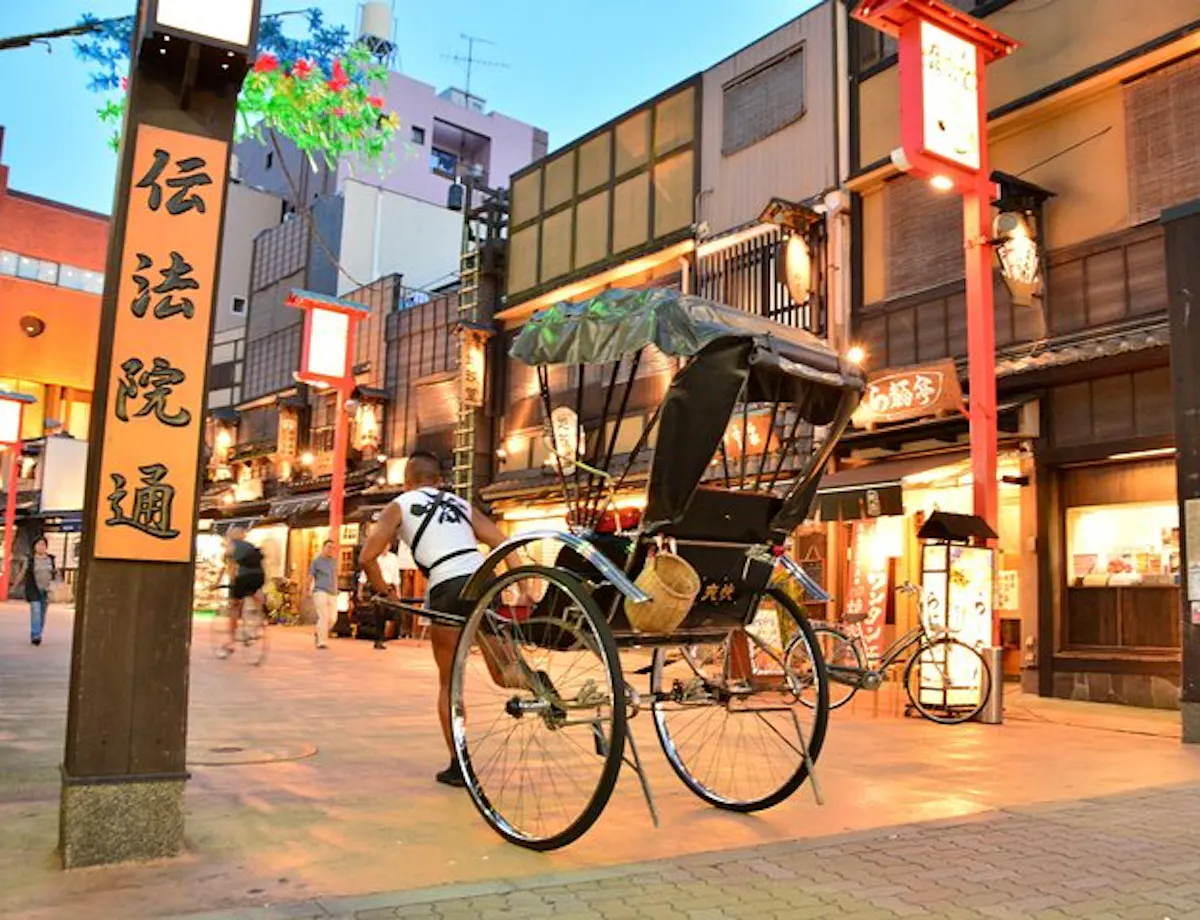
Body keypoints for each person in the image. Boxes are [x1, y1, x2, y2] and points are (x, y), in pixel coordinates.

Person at [359, 450, 531, 787]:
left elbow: (367, 557)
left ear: (407, 481)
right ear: (438, 481)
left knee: (450, 684)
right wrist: (524, 587)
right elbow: (502, 542)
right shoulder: (460, 504)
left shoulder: (400, 504)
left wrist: (386, 592)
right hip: (484, 581)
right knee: (504, 671)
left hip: (448, 587)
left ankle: (459, 766)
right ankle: (538, 683)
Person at [219, 528, 265, 657]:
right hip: (259, 576)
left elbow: (231, 567)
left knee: (234, 607)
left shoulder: (232, 546)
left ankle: (231, 642)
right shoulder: (250, 546)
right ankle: (256, 623)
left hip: (244, 578)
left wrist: (227, 583)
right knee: (254, 595)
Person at [22, 537, 56, 646]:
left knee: (42, 614)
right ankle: (36, 636)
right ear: (34, 547)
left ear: (46, 547)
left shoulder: (51, 559)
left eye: (43, 545)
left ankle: (38, 633)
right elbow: (23, 572)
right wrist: (14, 586)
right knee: (36, 611)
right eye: (38, 545)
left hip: (46, 590)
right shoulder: (30, 559)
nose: (41, 547)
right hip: (33, 588)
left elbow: (55, 573)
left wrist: (55, 587)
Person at [309, 539, 338, 649]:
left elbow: (334, 576)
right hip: (320, 590)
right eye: (329, 547)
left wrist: (336, 588)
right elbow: (310, 576)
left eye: (332, 548)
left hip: (332, 592)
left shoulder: (334, 561)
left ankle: (319, 632)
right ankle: (322, 641)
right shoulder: (316, 561)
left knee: (332, 619)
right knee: (323, 616)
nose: (331, 550)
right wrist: (308, 589)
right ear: (323, 547)